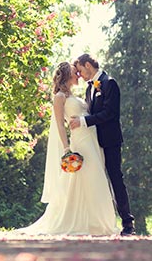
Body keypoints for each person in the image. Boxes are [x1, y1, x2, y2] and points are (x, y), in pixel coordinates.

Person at [20, 61, 118, 236]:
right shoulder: (59, 97)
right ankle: (86, 223)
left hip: (93, 141)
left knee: (94, 180)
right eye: (75, 72)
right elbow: (59, 124)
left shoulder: (76, 94)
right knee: (87, 179)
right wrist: (66, 148)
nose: (78, 75)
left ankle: (97, 223)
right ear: (67, 75)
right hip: (80, 143)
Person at [69, 53, 136, 236]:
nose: (80, 75)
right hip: (91, 143)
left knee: (115, 178)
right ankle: (97, 222)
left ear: (88, 65)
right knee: (95, 182)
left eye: (81, 70)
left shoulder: (110, 83)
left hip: (110, 141)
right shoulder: (90, 88)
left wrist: (83, 122)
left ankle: (128, 223)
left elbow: (110, 113)